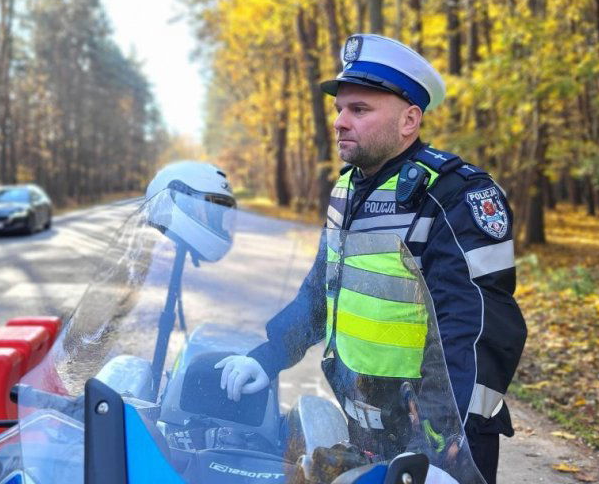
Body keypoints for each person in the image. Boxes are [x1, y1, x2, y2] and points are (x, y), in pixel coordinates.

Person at [214, 34, 526, 483]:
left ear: (409, 120)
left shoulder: (454, 194)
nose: (340, 122)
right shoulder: (348, 188)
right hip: (368, 420)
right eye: (340, 109)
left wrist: (449, 448)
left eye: (359, 110)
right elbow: (320, 292)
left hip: (436, 438)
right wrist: (268, 356)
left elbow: (476, 329)